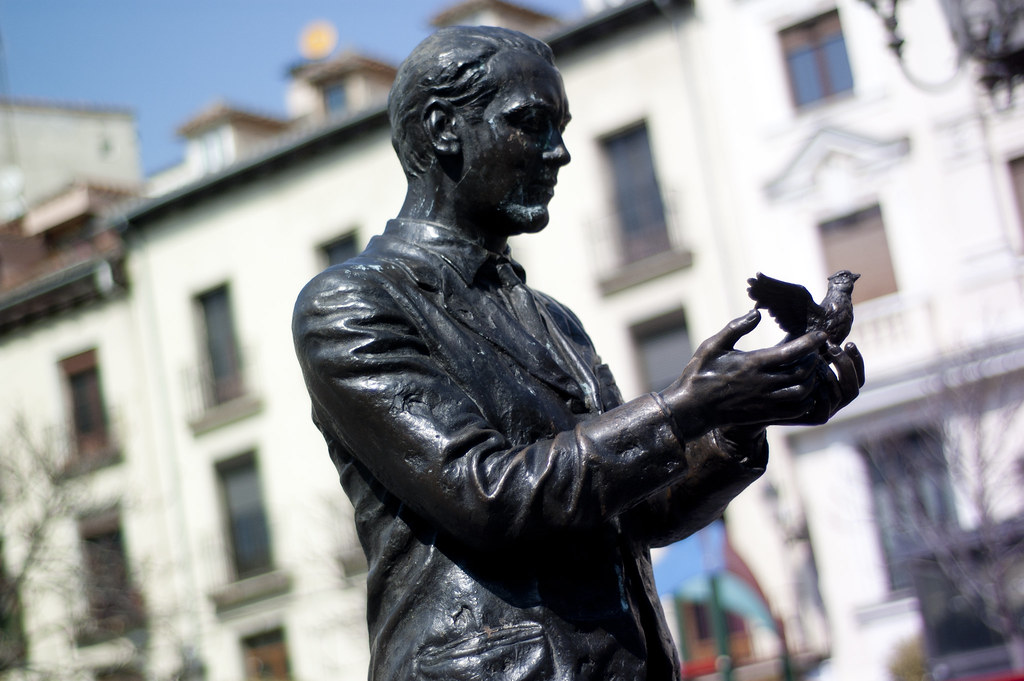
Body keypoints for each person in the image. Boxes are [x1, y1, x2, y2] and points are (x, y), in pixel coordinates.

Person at [293, 25, 863, 681]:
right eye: (530, 123)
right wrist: (683, 409)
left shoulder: (552, 319)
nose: (558, 152)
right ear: (445, 129)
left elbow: (642, 509)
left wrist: (740, 419)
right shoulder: (353, 303)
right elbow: (487, 494)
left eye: (560, 126)